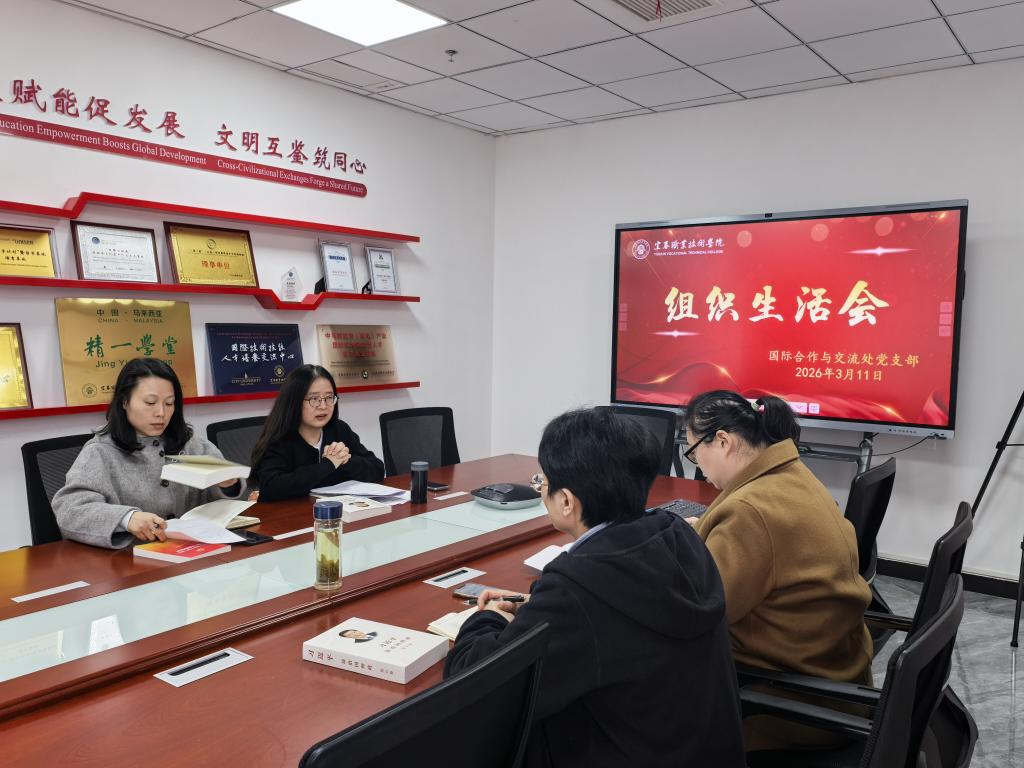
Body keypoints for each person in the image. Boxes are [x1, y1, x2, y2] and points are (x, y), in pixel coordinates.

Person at [444, 408, 745, 768]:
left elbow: (476, 689)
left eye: (544, 482)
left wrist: (487, 619)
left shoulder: (578, 588)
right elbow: (613, 621)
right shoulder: (678, 535)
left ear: (566, 502)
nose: (542, 490)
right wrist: (538, 604)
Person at [683, 390, 873, 750]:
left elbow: (701, 614)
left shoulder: (749, 511)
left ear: (723, 442)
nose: (698, 465)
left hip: (790, 700)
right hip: (836, 673)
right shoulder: (790, 474)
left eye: (693, 452)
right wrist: (705, 532)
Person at [53, 358, 241, 549]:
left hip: (197, 550)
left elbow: (224, 498)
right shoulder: (100, 451)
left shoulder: (191, 443)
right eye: (150, 402)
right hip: (132, 557)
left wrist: (227, 484)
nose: (161, 412)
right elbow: (69, 510)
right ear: (124, 401)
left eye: (169, 403)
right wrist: (127, 518)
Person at [250, 365, 384, 501]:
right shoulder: (280, 438)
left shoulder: (338, 429)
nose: (323, 406)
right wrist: (328, 465)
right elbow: (271, 487)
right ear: (294, 401)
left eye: (329, 397)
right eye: (314, 399)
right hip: (294, 513)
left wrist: (345, 461)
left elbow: (378, 469)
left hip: (339, 509)